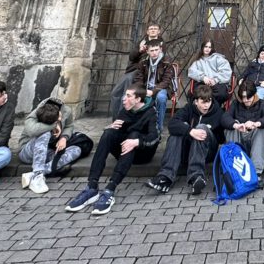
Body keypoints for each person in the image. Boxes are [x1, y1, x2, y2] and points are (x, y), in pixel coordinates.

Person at [66, 84, 158, 214]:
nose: (124, 99)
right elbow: (117, 131)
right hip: (124, 152)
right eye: (125, 95)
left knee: (134, 135)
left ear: (138, 99)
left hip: (143, 153)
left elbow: (155, 138)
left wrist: (137, 142)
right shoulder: (125, 110)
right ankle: (92, 186)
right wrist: (110, 127)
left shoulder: (151, 112)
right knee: (108, 133)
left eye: (128, 96)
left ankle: (110, 189)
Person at [148, 84, 223, 196]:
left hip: (207, 153)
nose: (206, 105)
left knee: (201, 128)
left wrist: (205, 131)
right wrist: (190, 131)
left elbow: (221, 138)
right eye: (203, 102)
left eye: (209, 101)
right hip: (187, 152)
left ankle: (196, 176)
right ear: (196, 102)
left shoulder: (218, 112)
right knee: (177, 133)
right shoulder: (188, 109)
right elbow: (172, 124)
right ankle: (165, 176)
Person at [17, 97, 85, 194]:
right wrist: (54, 125)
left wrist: (63, 138)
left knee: (77, 150)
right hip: (28, 152)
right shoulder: (35, 114)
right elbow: (32, 131)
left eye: (60, 116)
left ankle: (35, 174)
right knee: (45, 134)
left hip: (48, 150)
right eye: (58, 118)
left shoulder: (66, 111)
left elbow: (69, 126)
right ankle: (37, 177)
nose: (60, 119)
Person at [221, 80, 264, 178]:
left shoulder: (261, 104)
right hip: (238, 140)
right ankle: (235, 168)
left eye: (248, 97)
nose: (245, 100)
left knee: (262, 128)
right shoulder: (236, 103)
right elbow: (224, 118)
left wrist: (256, 124)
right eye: (243, 97)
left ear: (254, 95)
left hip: (256, 143)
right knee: (231, 126)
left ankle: (256, 172)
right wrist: (236, 125)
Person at [111, 22, 162, 117]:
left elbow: (159, 59)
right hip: (134, 69)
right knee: (115, 92)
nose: (153, 30)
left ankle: (122, 118)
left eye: (155, 29)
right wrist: (139, 50)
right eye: (151, 29)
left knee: (127, 93)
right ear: (147, 31)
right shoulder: (142, 42)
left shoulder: (161, 44)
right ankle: (116, 118)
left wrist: (149, 52)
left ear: (159, 31)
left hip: (145, 71)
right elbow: (131, 57)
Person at [132, 34, 175, 139]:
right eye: (152, 50)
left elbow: (166, 81)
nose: (154, 52)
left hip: (161, 88)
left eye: (156, 50)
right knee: (132, 95)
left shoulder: (166, 62)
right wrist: (142, 90)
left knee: (161, 98)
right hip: (146, 87)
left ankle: (158, 129)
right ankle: (139, 127)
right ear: (147, 51)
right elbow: (139, 78)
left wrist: (153, 91)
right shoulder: (143, 62)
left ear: (160, 49)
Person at [187, 40, 233, 104]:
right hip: (202, 83)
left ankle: (214, 108)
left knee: (221, 93)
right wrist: (203, 77)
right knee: (200, 94)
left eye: (209, 47)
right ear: (202, 47)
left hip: (217, 83)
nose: (207, 49)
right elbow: (191, 71)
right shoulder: (197, 61)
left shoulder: (218, 58)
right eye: (206, 46)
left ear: (212, 48)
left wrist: (215, 80)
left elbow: (226, 71)